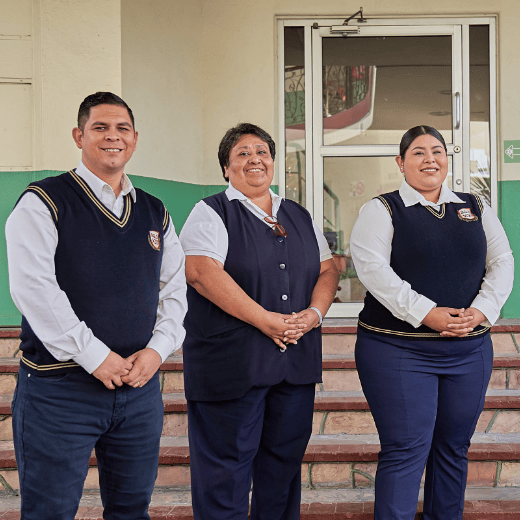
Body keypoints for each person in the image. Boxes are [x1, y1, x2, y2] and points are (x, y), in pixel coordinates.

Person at [5, 92, 187, 520]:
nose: (112, 137)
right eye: (100, 128)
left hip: (138, 391)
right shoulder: (45, 201)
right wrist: (95, 356)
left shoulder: (154, 211)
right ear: (79, 135)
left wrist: (158, 350)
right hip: (60, 390)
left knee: (130, 511)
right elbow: (34, 289)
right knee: (50, 512)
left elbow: (176, 289)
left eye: (122, 129)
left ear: (135, 139)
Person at [350, 125, 514, 520]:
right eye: (419, 152)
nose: (430, 159)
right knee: (406, 447)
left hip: (468, 350)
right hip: (397, 349)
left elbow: (502, 262)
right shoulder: (381, 209)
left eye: (437, 151)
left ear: (447, 159)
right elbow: (374, 271)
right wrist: (428, 313)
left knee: (454, 446)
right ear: (401, 162)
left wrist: (482, 311)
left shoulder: (475, 207)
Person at [179, 123, 339, 520]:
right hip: (232, 365)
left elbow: (328, 270)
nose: (255, 159)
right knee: (225, 472)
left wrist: (315, 314)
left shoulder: (298, 213)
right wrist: (266, 320)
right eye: (243, 153)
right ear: (226, 169)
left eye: (262, 152)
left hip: (294, 367)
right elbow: (200, 271)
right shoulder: (211, 211)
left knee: (282, 470)